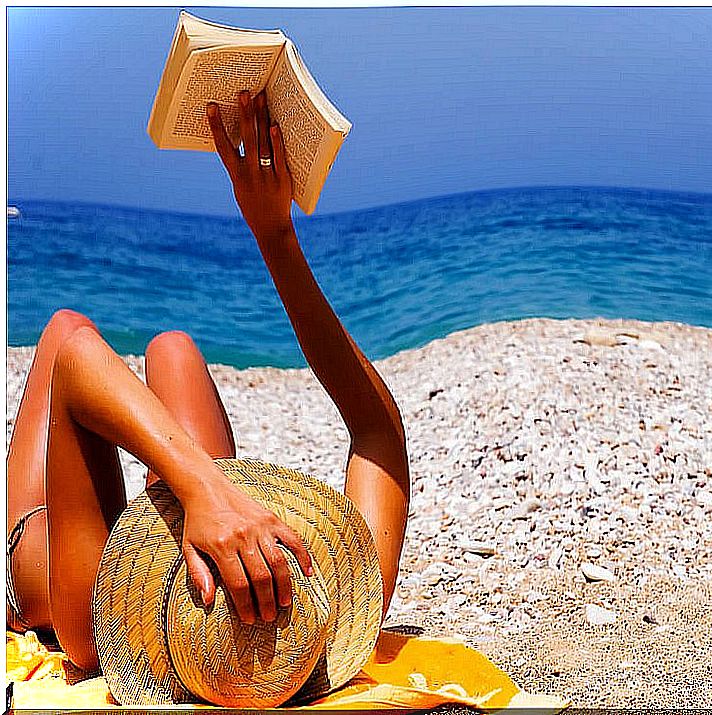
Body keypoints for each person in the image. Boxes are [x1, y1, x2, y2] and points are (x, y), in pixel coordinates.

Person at [6, 90, 410, 673]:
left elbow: (75, 361)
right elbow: (378, 431)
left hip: (56, 565)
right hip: (206, 554)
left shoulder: (95, 633)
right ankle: (193, 482)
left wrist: (204, 491)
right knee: (174, 348)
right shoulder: (341, 621)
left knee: (67, 325)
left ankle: (189, 483)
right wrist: (275, 234)